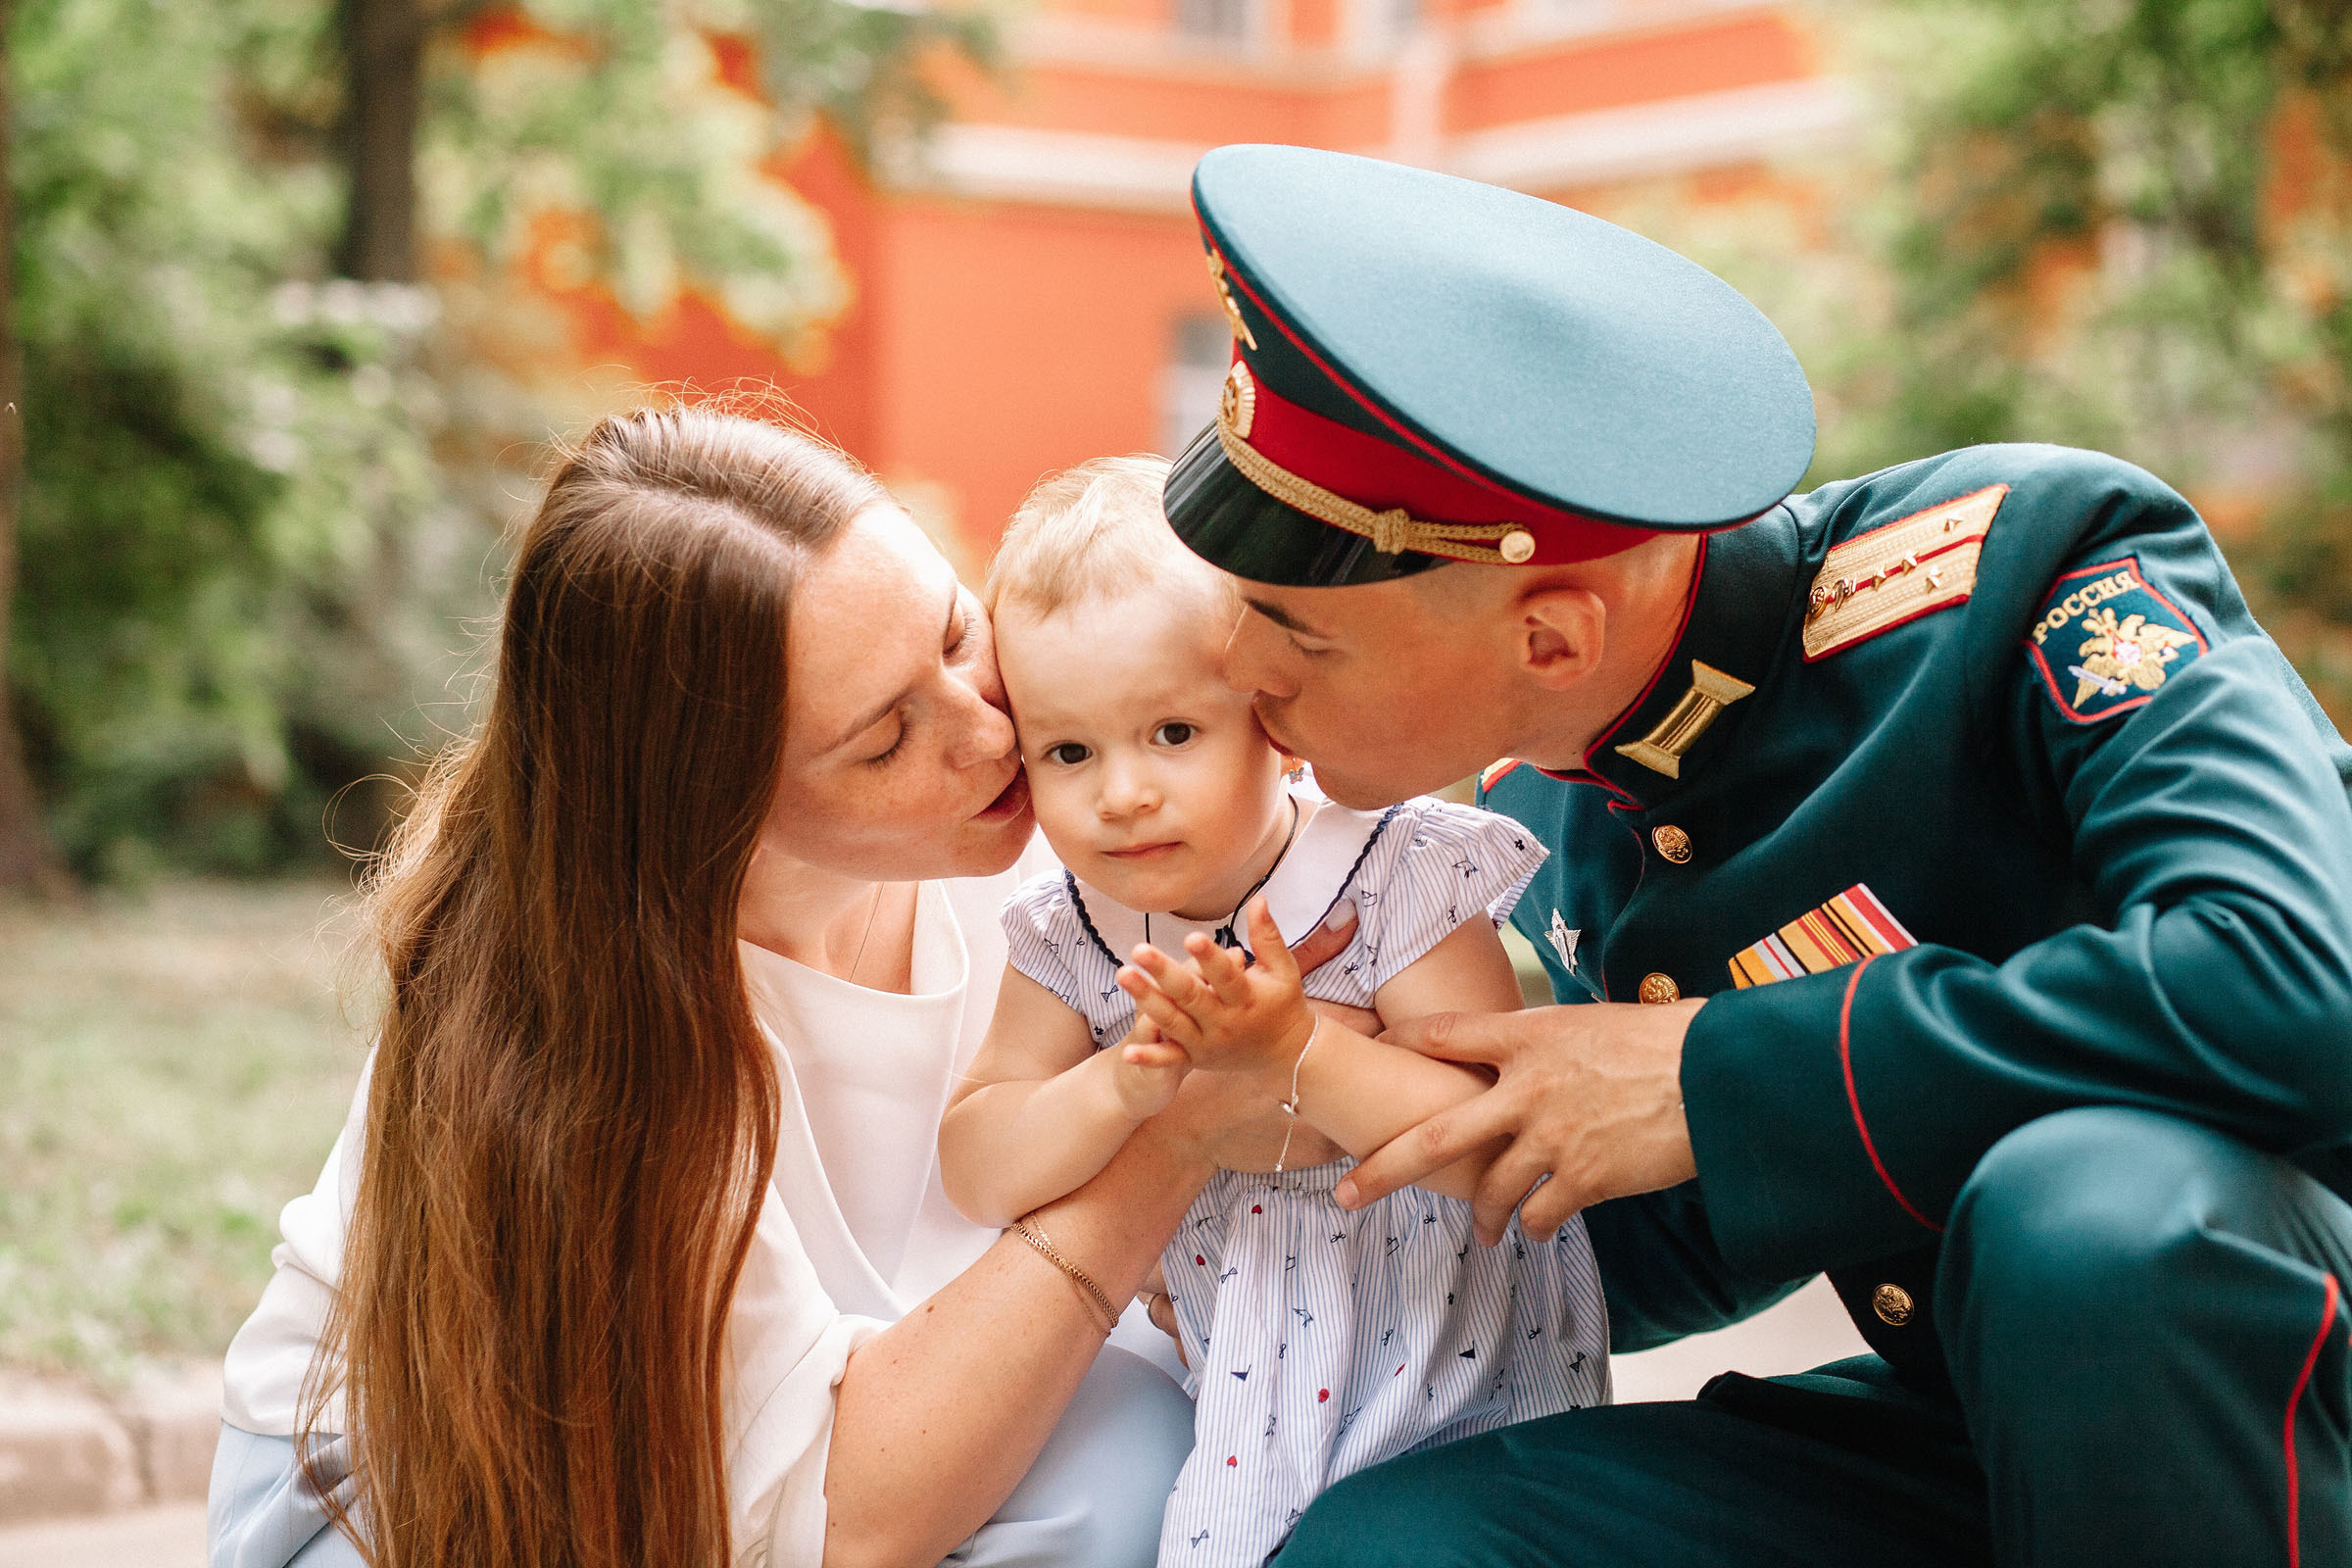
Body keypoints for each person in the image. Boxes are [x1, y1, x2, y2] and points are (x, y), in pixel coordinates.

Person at [1158, 144, 2352, 1566]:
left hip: (2269, 1407)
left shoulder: (2031, 570)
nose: (1236, 671)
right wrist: (1307, 1149)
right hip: (1977, 1428)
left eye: (1297, 635)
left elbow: (2299, 981)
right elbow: (1686, 1232)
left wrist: (1706, 1075)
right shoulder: (1546, 814)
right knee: (1403, 1550)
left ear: (1554, 638)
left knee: (2093, 1220)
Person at [205, 407, 1319, 1568]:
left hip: (887, 1389)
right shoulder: (590, 1032)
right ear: (718, 814)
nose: (992, 733)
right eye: (884, 740)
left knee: (1142, 1446)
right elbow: (847, 1517)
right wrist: (1178, 1135)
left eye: (953, 632)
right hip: (455, 1502)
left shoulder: (1085, 811)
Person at [935, 458, 1608, 1568]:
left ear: (1272, 720)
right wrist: (1123, 1086)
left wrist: (1293, 1052)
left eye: (1172, 733)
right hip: (1240, 1388)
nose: (1122, 793)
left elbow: (1497, 1145)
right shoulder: (1073, 932)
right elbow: (978, 1167)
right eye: (1069, 750)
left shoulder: (1391, 874)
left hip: (1451, 1365)